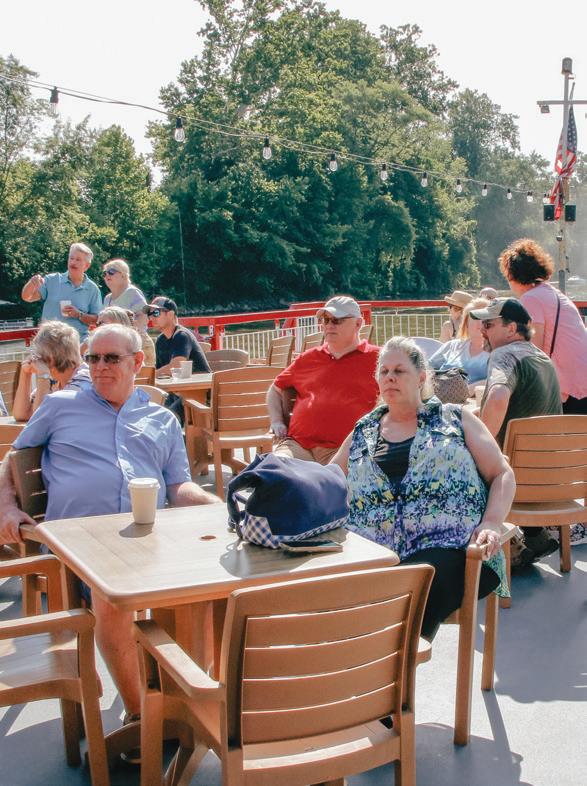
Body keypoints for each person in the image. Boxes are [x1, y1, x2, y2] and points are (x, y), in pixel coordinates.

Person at [0, 324, 218, 727]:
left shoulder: (161, 419)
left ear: (137, 362)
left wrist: (215, 506)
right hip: (78, 547)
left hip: (149, 540)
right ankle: (143, 719)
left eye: (111, 358)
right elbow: (11, 461)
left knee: (209, 590)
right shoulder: (60, 406)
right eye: (93, 358)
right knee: (112, 598)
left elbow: (178, 486)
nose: (99, 366)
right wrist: (7, 509)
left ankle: (187, 701)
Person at [331, 336, 515, 641]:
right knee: (340, 593)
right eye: (384, 371)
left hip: (454, 549)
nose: (390, 377)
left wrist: (492, 522)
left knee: (417, 582)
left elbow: (502, 473)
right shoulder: (364, 429)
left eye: (399, 371)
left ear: (421, 378)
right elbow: (329, 479)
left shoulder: (455, 419)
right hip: (377, 555)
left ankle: (387, 663)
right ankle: (378, 661)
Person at [470, 297, 562, 563]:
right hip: (554, 479)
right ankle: (534, 537)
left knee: (464, 462)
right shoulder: (542, 358)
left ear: (511, 329)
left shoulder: (504, 355)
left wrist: (479, 446)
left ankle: (497, 554)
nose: (482, 330)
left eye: (489, 324)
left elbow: (499, 397)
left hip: (517, 483)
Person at [266, 296, 380, 465]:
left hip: (348, 451)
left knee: (335, 478)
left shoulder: (379, 359)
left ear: (358, 324)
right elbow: (275, 390)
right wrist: (276, 421)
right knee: (272, 469)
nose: (329, 325)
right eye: (326, 320)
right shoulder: (308, 358)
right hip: (298, 447)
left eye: (337, 320)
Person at [499, 238, 587, 413]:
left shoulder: (531, 299)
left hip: (568, 386)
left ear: (513, 275)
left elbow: (534, 351)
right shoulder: (551, 293)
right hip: (580, 379)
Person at [12, 321, 92, 422]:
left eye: (37, 356)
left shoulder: (82, 383)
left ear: (50, 359)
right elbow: (21, 415)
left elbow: (41, 421)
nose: (35, 360)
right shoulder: (56, 380)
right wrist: (26, 373)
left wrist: (43, 376)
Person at [21, 242, 102, 340]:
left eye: (78, 259)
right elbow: (27, 297)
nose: (73, 262)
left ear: (87, 265)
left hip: (76, 343)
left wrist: (79, 314)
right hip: (49, 340)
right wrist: (31, 283)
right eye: (71, 258)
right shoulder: (52, 280)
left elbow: (97, 321)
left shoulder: (93, 289)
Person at [429, 298, 490, 395]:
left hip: (474, 400)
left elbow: (503, 380)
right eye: (476, 318)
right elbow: (428, 369)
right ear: (466, 324)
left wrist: (472, 388)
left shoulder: (499, 351)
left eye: (485, 318)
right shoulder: (452, 345)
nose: (481, 323)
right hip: (439, 396)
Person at [102, 258, 156, 365]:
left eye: (111, 272)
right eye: (104, 273)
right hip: (118, 346)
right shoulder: (107, 299)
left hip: (139, 344)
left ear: (123, 275)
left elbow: (144, 317)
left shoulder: (132, 292)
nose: (107, 275)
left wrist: (127, 330)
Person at [145, 297, 210, 377]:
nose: (151, 318)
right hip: (181, 383)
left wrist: (149, 375)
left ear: (170, 314)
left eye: (156, 313)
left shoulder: (182, 336)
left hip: (201, 383)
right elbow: (160, 371)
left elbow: (176, 367)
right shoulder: (160, 340)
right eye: (150, 314)